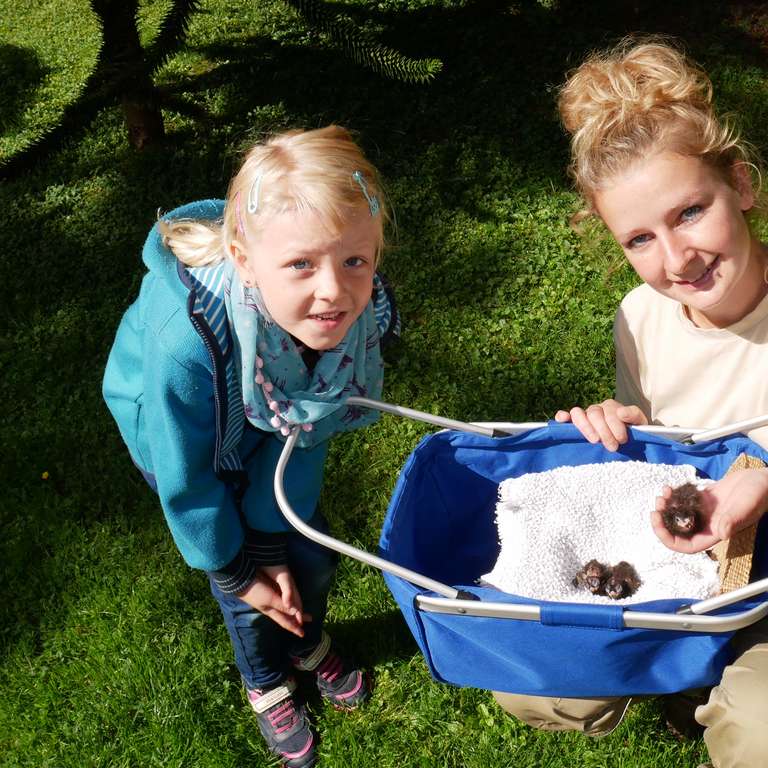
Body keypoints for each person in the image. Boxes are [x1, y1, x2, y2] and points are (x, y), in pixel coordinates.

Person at [492, 39, 768, 768]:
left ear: (741, 184)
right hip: (694, 566)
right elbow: (659, 448)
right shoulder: (642, 317)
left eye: (691, 212)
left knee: (759, 736)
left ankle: (717, 684)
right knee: (532, 682)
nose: (677, 259)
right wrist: (624, 431)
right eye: (641, 238)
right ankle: (683, 672)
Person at [102, 125, 399, 768]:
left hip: (268, 414)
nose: (333, 290)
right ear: (243, 258)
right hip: (182, 436)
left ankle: (305, 636)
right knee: (247, 589)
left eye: (356, 260)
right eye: (301, 264)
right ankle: (264, 678)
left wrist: (275, 536)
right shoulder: (188, 344)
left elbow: (309, 422)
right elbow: (189, 481)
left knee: (307, 556)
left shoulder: (350, 317)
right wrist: (243, 568)